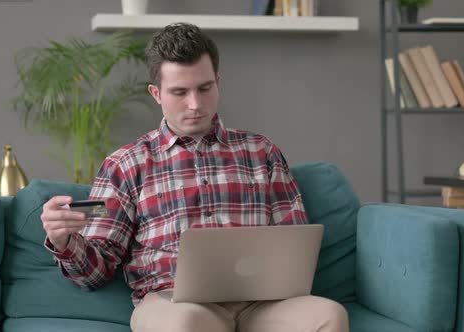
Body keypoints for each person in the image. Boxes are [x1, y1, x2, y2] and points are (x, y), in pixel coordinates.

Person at [41, 22, 349, 332]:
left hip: (262, 305)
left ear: (218, 81)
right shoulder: (126, 164)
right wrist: (63, 239)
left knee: (328, 316)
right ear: (156, 93)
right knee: (186, 323)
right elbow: (93, 273)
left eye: (204, 88)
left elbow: (295, 249)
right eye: (179, 92)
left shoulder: (262, 152)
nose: (195, 104)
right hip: (173, 303)